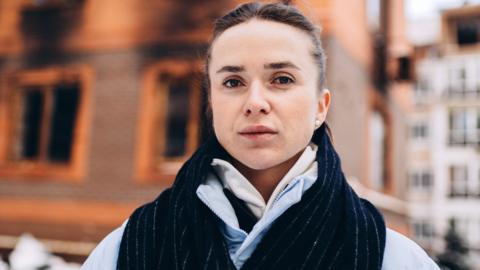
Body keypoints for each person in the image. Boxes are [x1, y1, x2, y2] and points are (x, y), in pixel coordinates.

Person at [82, 2, 440, 269]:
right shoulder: (127, 248)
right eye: (233, 82)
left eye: (281, 79)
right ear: (211, 103)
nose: (255, 102)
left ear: (320, 106)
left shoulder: (393, 259)